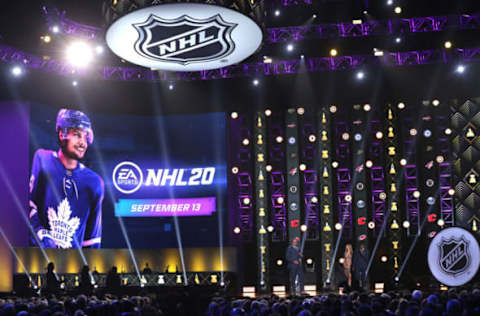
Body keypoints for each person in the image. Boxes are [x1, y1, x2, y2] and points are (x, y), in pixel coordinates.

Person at [28, 109, 104, 248]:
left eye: (85, 137)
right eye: (77, 135)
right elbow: (29, 205)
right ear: (62, 133)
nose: (83, 142)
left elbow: (92, 238)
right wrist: (40, 233)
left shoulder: (95, 182)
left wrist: (89, 267)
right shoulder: (43, 158)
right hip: (36, 260)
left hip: (72, 266)